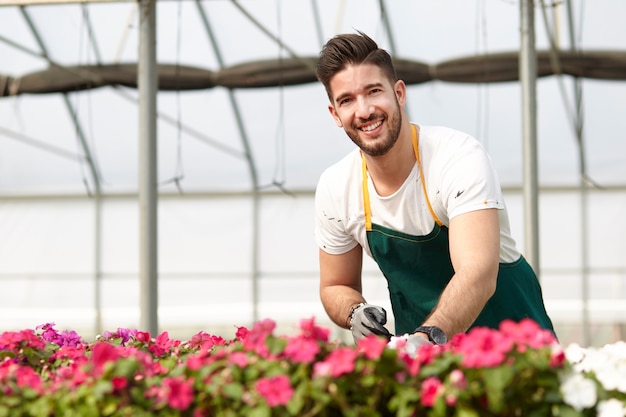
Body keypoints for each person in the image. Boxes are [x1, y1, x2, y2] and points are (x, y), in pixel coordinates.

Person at [313, 31, 556, 347]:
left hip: (515, 350)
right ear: (335, 114)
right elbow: (335, 284)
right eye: (347, 100)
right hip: (427, 365)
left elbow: (477, 275)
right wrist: (354, 312)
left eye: (374, 91)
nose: (364, 111)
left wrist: (427, 336)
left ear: (399, 93)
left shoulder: (457, 157)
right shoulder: (336, 188)